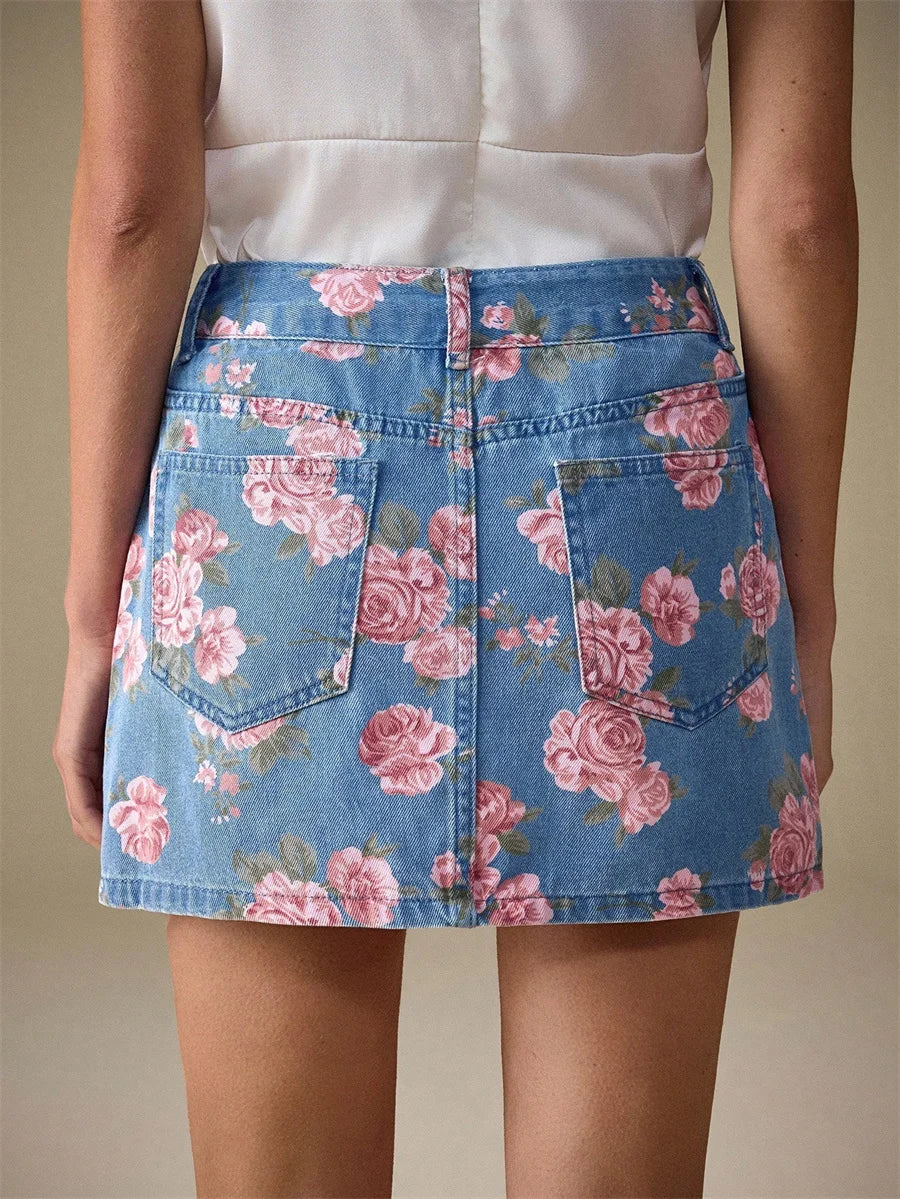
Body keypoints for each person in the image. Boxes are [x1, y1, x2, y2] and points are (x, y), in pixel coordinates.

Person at [53, 1, 856, 1195]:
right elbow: (798, 216)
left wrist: (89, 621)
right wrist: (809, 613)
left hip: (283, 447)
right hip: (640, 442)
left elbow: (131, 207)